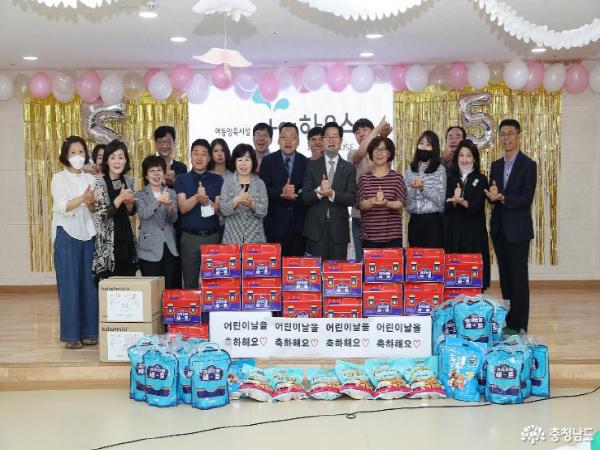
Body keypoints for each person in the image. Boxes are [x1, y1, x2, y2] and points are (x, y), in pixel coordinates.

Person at [485, 119, 537, 333]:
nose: (506, 138)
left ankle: (520, 324)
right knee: (505, 278)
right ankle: (509, 321)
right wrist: (491, 196)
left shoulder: (528, 165)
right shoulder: (496, 165)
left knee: (519, 279)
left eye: (510, 133)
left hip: (518, 230)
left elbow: (526, 198)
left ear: (519, 136)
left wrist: (504, 198)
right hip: (499, 229)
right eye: (502, 134)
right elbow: (492, 196)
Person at [51, 136, 97, 349]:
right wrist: (83, 199)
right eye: (73, 152)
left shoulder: (91, 179)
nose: (78, 156)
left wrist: (91, 203)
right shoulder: (58, 178)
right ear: (65, 155)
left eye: (81, 152)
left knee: (89, 284)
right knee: (69, 285)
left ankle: (89, 332)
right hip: (66, 233)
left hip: (88, 233)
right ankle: (71, 336)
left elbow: (94, 209)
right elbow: (62, 206)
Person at [302, 122, 356, 260]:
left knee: (338, 270)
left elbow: (351, 198)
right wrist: (319, 192)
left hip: (339, 230)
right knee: (316, 271)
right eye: (327, 137)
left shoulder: (349, 168)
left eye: (335, 137)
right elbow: (305, 198)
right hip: (315, 230)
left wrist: (333, 194)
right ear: (323, 140)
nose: (331, 140)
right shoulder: (311, 166)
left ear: (341, 141)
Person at [175, 139, 223, 289]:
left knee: (214, 284)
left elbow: (219, 210)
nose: (199, 157)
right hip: (190, 238)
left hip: (212, 236)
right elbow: (183, 207)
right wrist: (197, 197)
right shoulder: (182, 179)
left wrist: (206, 202)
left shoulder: (217, 179)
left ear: (209, 158)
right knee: (190, 283)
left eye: (204, 154)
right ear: (190, 156)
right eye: (196, 153)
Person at [444, 139, 490, 290]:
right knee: (454, 277)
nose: (464, 159)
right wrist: (454, 201)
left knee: (473, 276)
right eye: (461, 155)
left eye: (469, 155)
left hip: (474, 234)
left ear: (474, 159)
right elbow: (446, 205)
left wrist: (462, 201)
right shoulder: (450, 178)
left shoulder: (481, 179)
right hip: (454, 233)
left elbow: (477, 206)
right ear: (457, 158)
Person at [260, 122, 309, 256]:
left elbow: (308, 190)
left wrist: (296, 194)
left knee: (296, 267)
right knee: (274, 267)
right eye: (284, 137)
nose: (288, 141)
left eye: (292, 137)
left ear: (298, 141)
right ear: (278, 140)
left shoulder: (306, 162)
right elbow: (263, 190)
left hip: (298, 228)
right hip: (274, 226)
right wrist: (281, 192)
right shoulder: (268, 161)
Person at [347, 117, 392, 260]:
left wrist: (382, 138)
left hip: (381, 215)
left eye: (365, 130)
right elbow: (361, 154)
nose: (361, 134)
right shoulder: (352, 153)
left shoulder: (382, 152)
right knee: (362, 259)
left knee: (382, 259)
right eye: (357, 132)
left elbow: (383, 168)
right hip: (359, 216)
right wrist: (378, 129)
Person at [92, 140, 137, 279]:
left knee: (128, 285)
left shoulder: (128, 181)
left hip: (126, 238)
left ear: (125, 160)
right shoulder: (99, 184)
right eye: (113, 157)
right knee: (109, 286)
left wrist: (129, 203)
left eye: (121, 157)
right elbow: (103, 215)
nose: (117, 161)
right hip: (108, 244)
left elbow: (131, 211)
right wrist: (120, 198)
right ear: (106, 161)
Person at [135, 155, 179, 289]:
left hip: (169, 246)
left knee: (169, 288)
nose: (156, 174)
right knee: (152, 290)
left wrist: (170, 207)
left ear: (164, 173)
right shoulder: (140, 194)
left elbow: (173, 219)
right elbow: (143, 214)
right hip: (149, 248)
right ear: (146, 176)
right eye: (152, 171)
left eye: (159, 170)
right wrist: (158, 201)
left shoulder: (171, 193)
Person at [357, 137, 406, 248]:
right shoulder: (364, 178)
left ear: (389, 153)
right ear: (371, 153)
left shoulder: (397, 177)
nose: (379, 153)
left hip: (393, 237)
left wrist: (386, 203)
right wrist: (373, 201)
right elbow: (360, 205)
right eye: (375, 149)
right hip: (369, 237)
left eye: (383, 149)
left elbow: (400, 203)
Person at [154, 125, 187, 288]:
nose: (164, 145)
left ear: (174, 143)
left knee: (175, 267)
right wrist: (163, 182)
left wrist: (174, 184)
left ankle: (175, 299)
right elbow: (149, 191)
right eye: (161, 141)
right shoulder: (150, 164)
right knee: (157, 270)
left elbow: (184, 194)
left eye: (168, 141)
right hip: (157, 224)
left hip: (176, 224)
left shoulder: (181, 168)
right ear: (155, 143)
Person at [404, 130, 446, 248]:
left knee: (433, 258)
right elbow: (408, 204)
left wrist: (423, 188)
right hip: (415, 221)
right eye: (421, 143)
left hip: (433, 222)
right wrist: (413, 189)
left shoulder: (440, 169)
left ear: (434, 148)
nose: (423, 147)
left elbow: (441, 202)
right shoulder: (410, 170)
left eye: (428, 145)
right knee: (415, 258)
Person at [221, 144, 268, 243]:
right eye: (239, 160)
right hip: (232, 239)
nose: (243, 164)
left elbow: (263, 212)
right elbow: (223, 211)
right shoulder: (228, 182)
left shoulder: (260, 183)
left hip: (255, 239)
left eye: (247, 160)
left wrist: (251, 204)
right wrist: (236, 200)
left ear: (253, 162)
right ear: (234, 162)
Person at [210, 138, 234, 242]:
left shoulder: (233, 176)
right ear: (211, 154)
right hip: (209, 224)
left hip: (229, 225)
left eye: (222, 150)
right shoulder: (206, 175)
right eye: (216, 151)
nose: (219, 154)